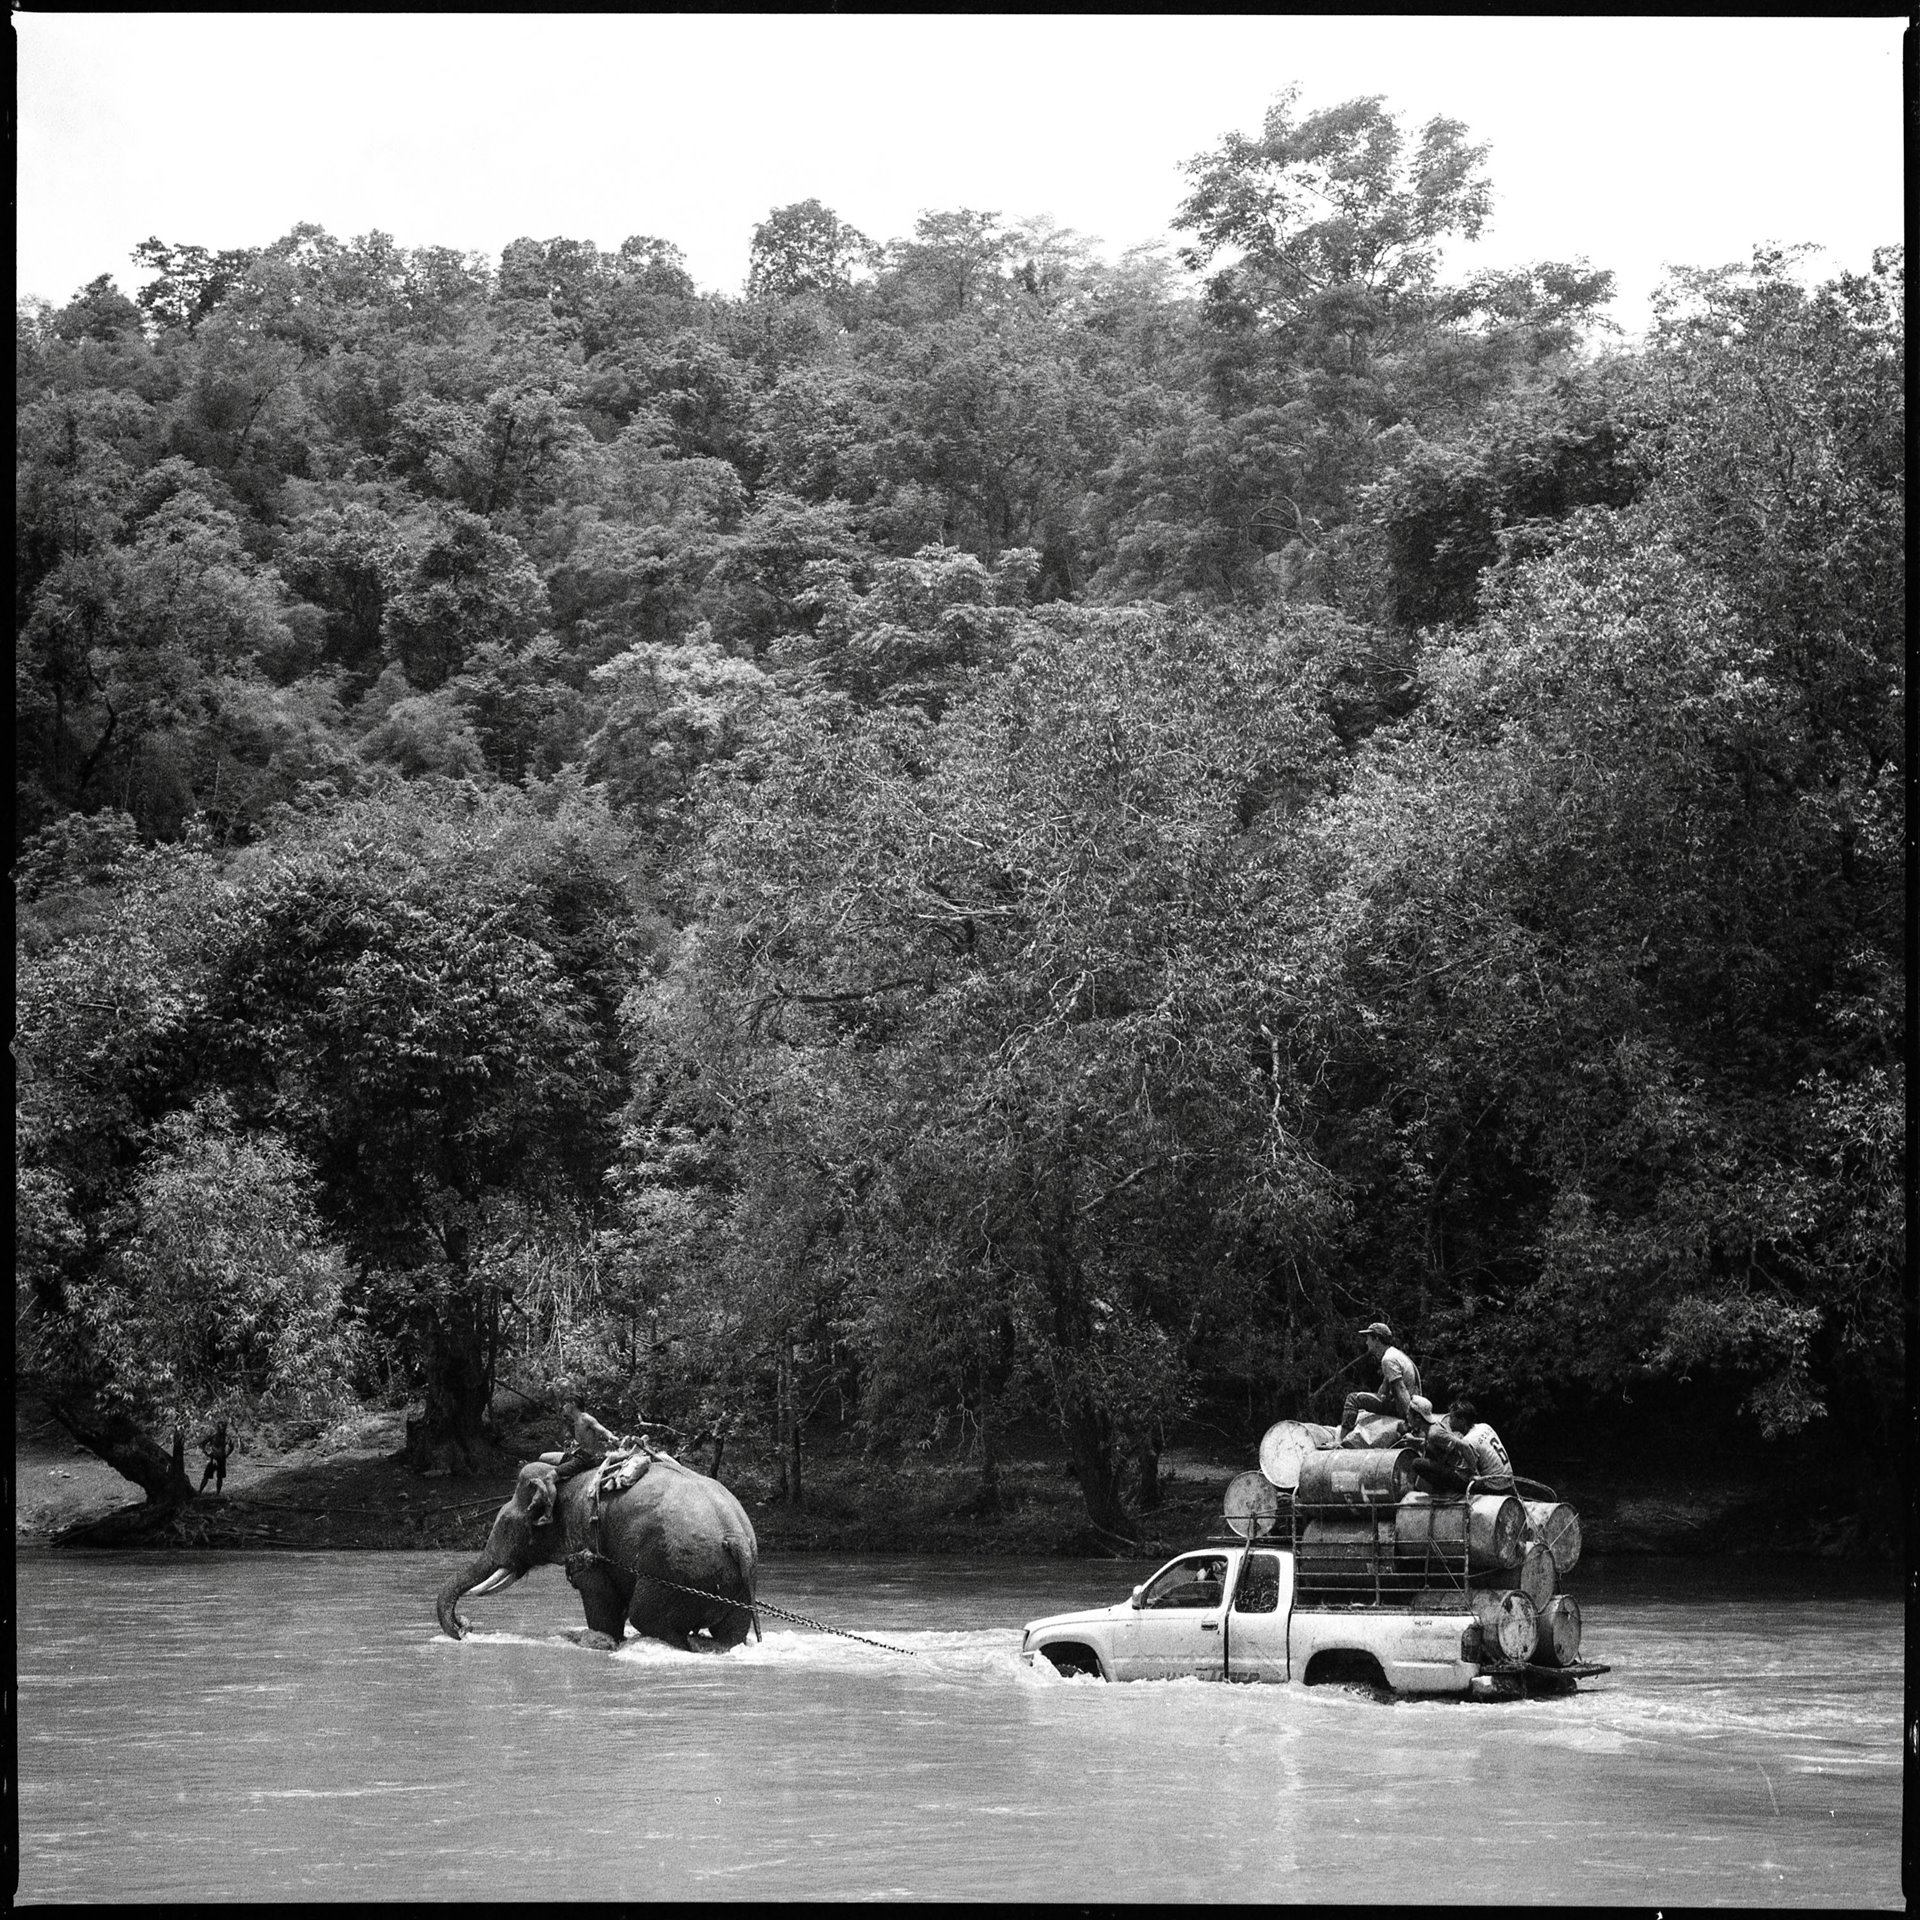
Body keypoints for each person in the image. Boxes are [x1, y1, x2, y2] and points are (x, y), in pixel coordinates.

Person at [1337, 1323, 1429, 1441]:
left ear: (1377, 1339)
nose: (1366, 1343)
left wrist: (1411, 1421)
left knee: (1352, 1399)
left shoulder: (1388, 1359)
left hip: (1402, 1407)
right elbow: (1384, 1387)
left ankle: (1341, 1441)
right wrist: (1379, 1399)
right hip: (1408, 1403)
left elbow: (1401, 1390)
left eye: (1369, 1339)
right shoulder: (1394, 1354)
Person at [1405, 1398, 1515, 1495]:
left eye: (1452, 1418)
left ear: (1462, 1421)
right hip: (1508, 1481)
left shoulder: (1467, 1440)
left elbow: (1464, 1447)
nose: (1449, 1421)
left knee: (1417, 1464)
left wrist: (1474, 1474)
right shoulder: (1484, 1426)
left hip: (1493, 1487)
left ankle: (1444, 1493)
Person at [198, 1419, 232, 1494]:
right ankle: (199, 1491)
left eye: (224, 1427)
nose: (222, 1429)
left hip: (221, 1459)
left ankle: (217, 1493)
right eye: (221, 1427)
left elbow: (231, 1446)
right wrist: (208, 1453)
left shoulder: (226, 1437)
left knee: (220, 1477)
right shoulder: (213, 1436)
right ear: (218, 1428)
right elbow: (202, 1444)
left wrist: (226, 1455)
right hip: (213, 1458)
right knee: (206, 1475)